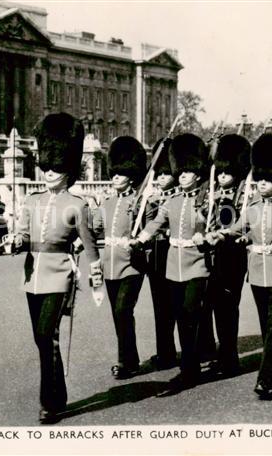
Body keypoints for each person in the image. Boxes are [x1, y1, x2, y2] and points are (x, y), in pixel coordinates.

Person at [6, 113, 103, 424]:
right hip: (32, 276)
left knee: (47, 334)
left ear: (68, 169)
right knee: (40, 338)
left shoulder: (77, 205)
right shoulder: (31, 201)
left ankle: (49, 402)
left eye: (57, 167)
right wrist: (14, 242)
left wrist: (97, 281)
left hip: (61, 274)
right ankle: (58, 393)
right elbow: (23, 233)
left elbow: (90, 247)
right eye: (46, 166)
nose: (49, 172)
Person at [208, 133, 272, 399]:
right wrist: (219, 234)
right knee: (266, 326)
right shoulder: (254, 207)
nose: (261, 183)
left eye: (267, 179)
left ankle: (265, 378)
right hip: (258, 275)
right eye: (259, 178)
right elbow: (238, 228)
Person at [134, 133, 211, 395]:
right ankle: (190, 366)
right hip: (173, 267)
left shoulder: (206, 201)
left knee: (190, 314)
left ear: (198, 173)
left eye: (188, 171)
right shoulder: (172, 200)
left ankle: (190, 367)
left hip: (197, 264)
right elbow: (157, 223)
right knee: (181, 317)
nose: (183, 175)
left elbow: (218, 223)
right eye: (182, 171)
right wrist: (141, 237)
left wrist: (207, 233)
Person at [94, 136, 147, 379]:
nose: (115, 176)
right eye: (113, 172)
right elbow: (94, 227)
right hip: (110, 265)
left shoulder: (140, 202)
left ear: (131, 174)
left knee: (124, 310)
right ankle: (129, 358)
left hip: (131, 266)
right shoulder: (106, 202)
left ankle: (125, 361)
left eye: (120, 173)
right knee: (117, 313)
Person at [200, 133, 251, 376]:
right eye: (219, 171)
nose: (221, 176)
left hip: (232, 256)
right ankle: (216, 353)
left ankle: (229, 359)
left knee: (227, 307)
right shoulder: (209, 193)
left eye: (226, 172)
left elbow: (242, 224)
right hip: (210, 255)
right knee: (210, 305)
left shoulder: (244, 195)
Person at [144, 139, 178, 371]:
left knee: (181, 307)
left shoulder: (181, 197)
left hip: (176, 253)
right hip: (157, 255)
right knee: (160, 307)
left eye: (166, 174)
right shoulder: (152, 197)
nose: (160, 179)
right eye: (159, 175)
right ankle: (165, 351)